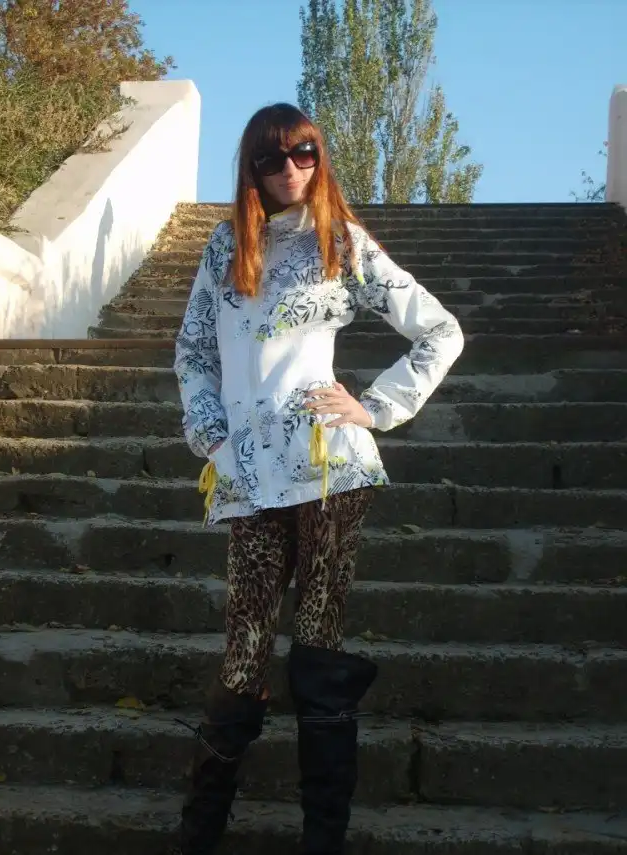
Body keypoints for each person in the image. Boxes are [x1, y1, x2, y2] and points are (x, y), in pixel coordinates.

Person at [172, 102, 464, 855]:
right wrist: (212, 437)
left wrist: (374, 406)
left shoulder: (342, 241)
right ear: (252, 168)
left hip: (329, 471)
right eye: (272, 158)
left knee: (318, 650)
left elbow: (439, 329)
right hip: (247, 477)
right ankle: (198, 834)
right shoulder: (224, 247)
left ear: (319, 155)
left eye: (303, 152)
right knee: (244, 656)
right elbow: (194, 353)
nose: (291, 169)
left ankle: (322, 839)